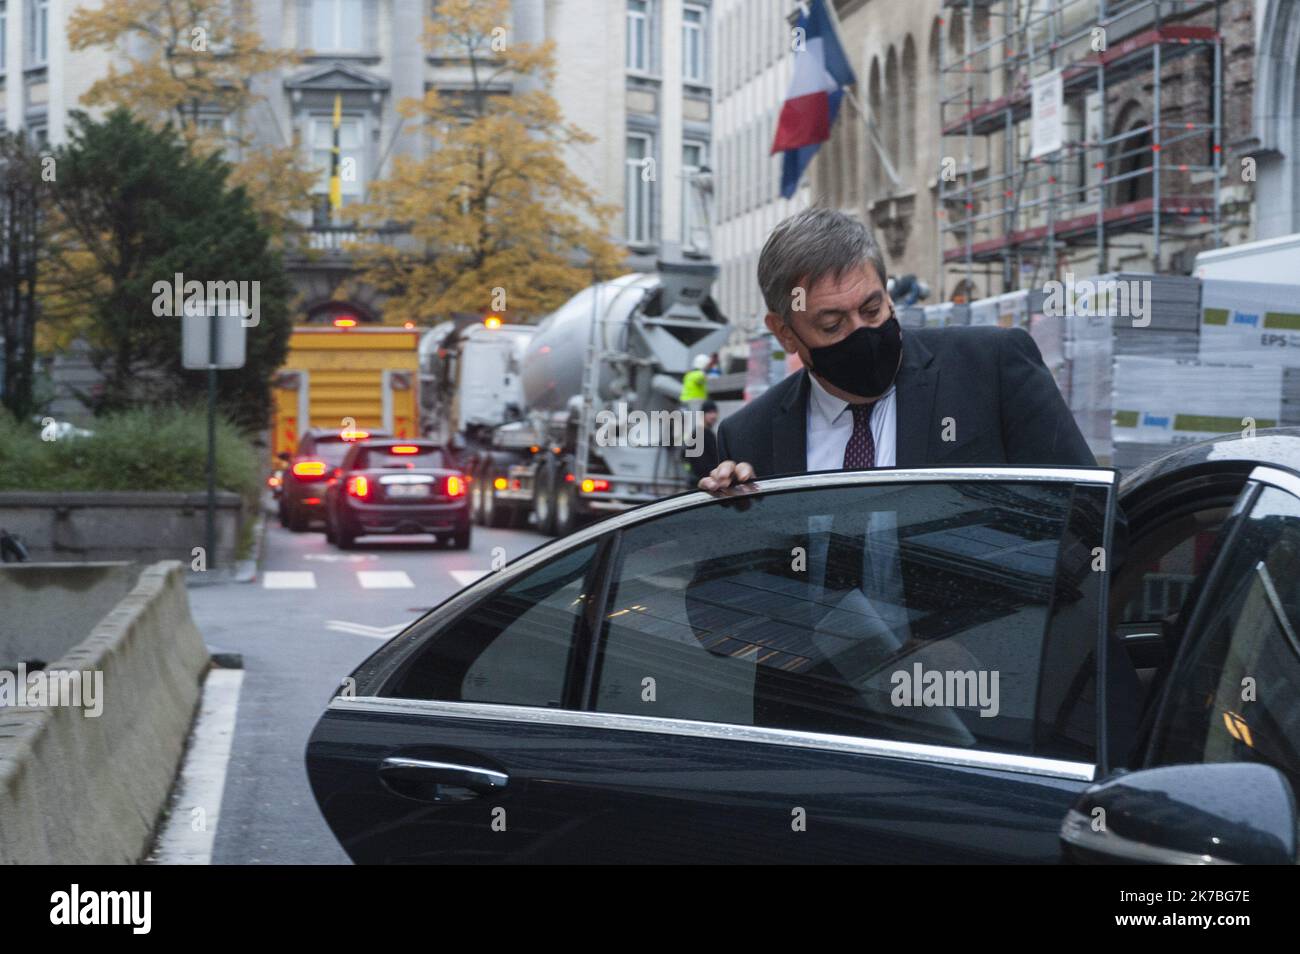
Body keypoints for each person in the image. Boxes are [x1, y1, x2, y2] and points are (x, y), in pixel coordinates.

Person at [698, 208, 1095, 492]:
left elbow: (1087, 516)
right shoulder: (749, 436)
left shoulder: (990, 369)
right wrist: (730, 527)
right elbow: (720, 599)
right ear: (784, 333)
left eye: (872, 309)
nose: (862, 333)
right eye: (832, 325)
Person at [686, 400, 721, 481]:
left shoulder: (708, 433)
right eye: (709, 412)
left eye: (715, 412)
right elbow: (701, 464)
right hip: (701, 482)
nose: (713, 416)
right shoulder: (699, 433)